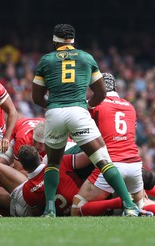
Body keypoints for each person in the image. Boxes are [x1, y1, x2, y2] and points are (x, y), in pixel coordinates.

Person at [31, 24, 140, 217]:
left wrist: (53, 106)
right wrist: (87, 106)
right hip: (79, 112)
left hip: (55, 112)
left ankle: (49, 210)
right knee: (103, 161)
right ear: (72, 40)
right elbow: (101, 92)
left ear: (55, 40)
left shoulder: (46, 60)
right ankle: (129, 205)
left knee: (53, 164)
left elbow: (37, 97)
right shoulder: (86, 58)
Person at [71, 73, 153, 216]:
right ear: (115, 87)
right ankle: (133, 206)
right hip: (135, 165)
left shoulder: (94, 104)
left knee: (77, 207)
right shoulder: (130, 106)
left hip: (110, 164)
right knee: (143, 204)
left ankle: (122, 204)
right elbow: (129, 137)